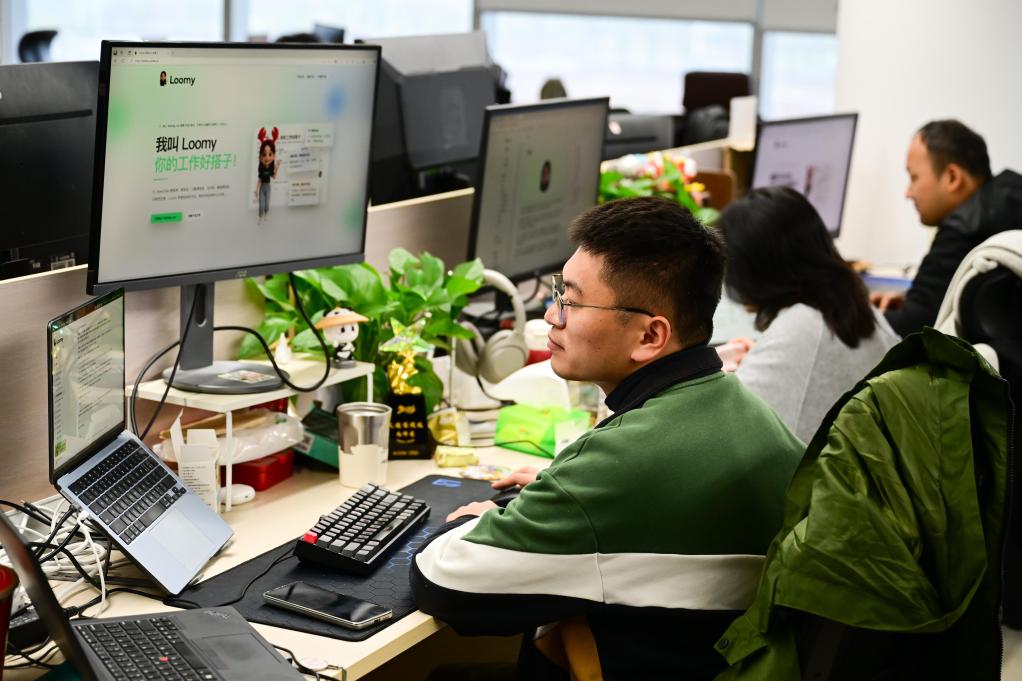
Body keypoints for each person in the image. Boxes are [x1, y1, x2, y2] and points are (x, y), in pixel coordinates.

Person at [410, 197, 804, 680]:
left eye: (572, 302)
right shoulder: (743, 409)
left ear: (649, 337)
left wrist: (481, 519)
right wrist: (570, 489)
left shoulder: (626, 458)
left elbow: (444, 581)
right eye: (558, 292)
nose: (552, 316)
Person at [716, 187, 899, 443]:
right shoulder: (852, 305)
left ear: (756, 271)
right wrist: (765, 353)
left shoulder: (800, 329)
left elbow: (725, 430)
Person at [873, 119, 1022, 337]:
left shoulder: (964, 230)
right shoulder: (1010, 197)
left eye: (914, 177)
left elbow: (914, 328)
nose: (908, 192)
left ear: (952, 178)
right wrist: (911, 302)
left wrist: (861, 315)